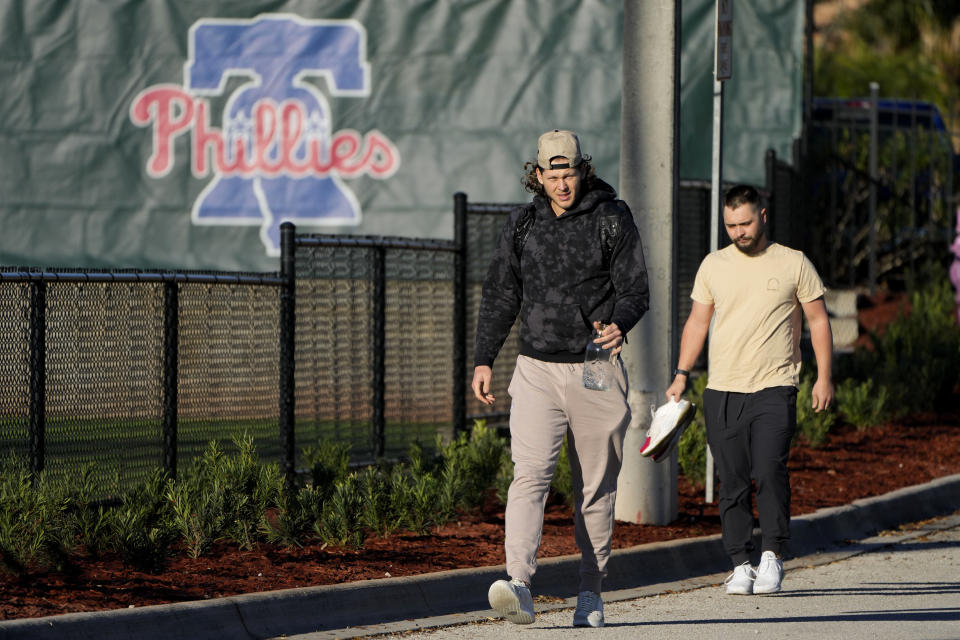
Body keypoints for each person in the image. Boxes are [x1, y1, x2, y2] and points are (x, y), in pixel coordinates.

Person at [472, 129, 649, 627]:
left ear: (582, 169)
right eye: (553, 174)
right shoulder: (523, 224)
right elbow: (501, 295)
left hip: (595, 366)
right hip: (536, 370)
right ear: (538, 175)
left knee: (595, 487)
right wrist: (484, 358)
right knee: (529, 475)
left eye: (569, 171)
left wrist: (620, 322)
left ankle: (590, 592)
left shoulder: (612, 218)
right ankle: (519, 583)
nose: (562, 182)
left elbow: (636, 288)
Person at [665, 184, 834, 596]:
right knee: (732, 481)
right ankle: (740, 562)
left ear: (761, 216)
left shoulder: (793, 262)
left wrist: (825, 376)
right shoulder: (713, 265)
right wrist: (682, 373)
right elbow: (697, 323)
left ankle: (773, 554)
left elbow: (818, 320)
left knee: (769, 471)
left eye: (744, 223)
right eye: (730, 225)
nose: (738, 232)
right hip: (722, 390)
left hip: (775, 386)